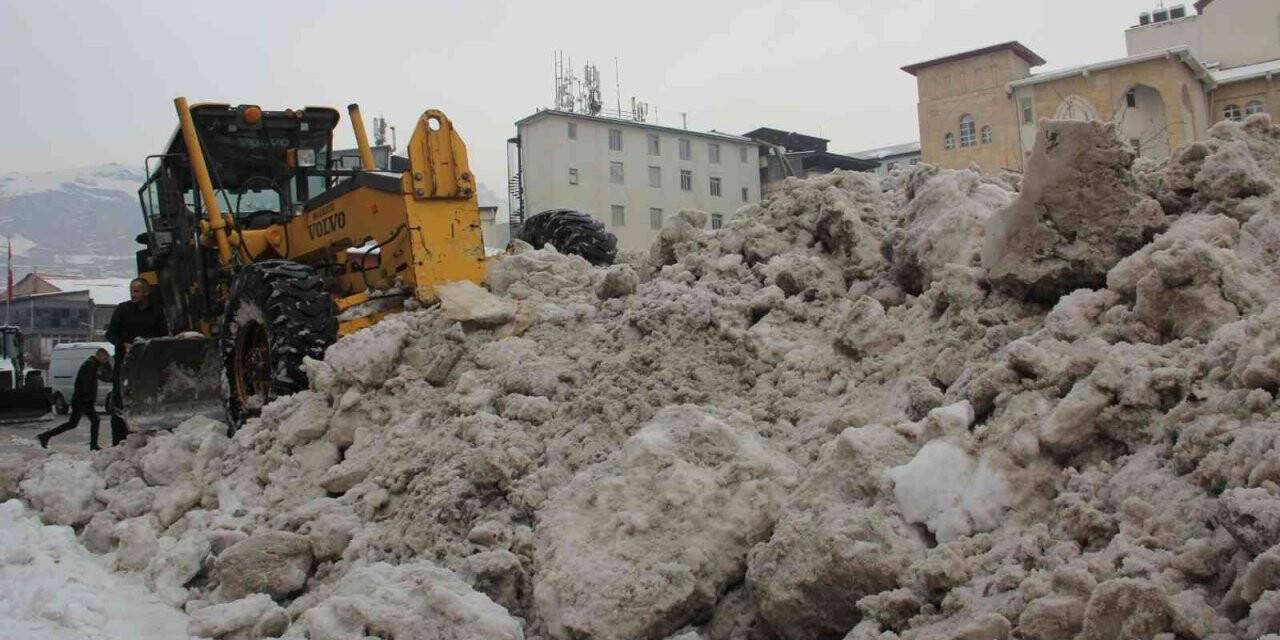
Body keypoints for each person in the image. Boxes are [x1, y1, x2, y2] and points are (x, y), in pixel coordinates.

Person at [105, 278, 169, 445]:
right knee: (120, 400)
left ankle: (147, 437)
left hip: (147, 364)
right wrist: (123, 344)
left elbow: (163, 335)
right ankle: (119, 442)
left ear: (146, 292)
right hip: (125, 363)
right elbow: (110, 334)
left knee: (147, 398)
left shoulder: (156, 311)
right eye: (132, 290)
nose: (133, 294)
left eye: (136, 291)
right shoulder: (123, 310)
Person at [38, 348, 111, 450]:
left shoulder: (94, 365)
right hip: (82, 400)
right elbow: (85, 383)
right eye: (105, 358)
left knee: (89, 421)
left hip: (85, 400)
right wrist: (86, 399)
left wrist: (107, 365)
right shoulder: (89, 365)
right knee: (75, 423)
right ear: (99, 355)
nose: (106, 360)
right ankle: (45, 436)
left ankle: (93, 445)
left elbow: (108, 377)